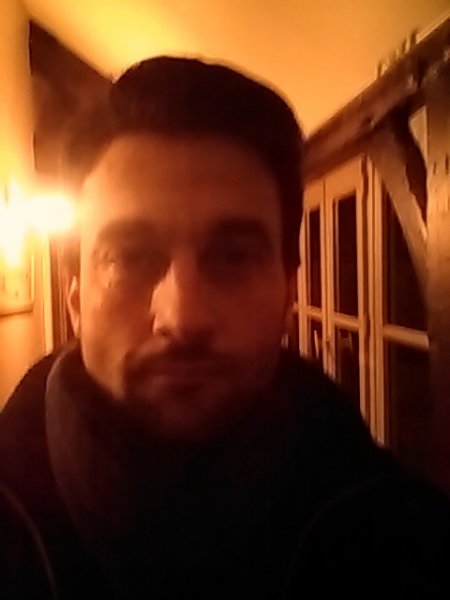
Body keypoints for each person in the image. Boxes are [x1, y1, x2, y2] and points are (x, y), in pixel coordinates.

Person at [0, 56, 449, 599]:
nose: (183, 318)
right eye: (131, 257)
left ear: (288, 290)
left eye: (233, 257)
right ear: (75, 296)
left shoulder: (407, 543)